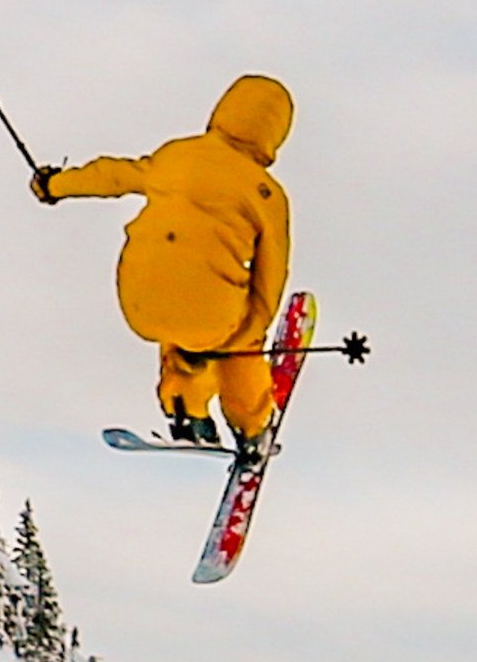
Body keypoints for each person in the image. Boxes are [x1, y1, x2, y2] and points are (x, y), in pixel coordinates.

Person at [34, 74, 295, 449]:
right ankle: (253, 429)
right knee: (233, 340)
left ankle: (186, 411)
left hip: (138, 300)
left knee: (180, 315)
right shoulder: (267, 194)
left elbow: (114, 176)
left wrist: (54, 185)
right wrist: (251, 330)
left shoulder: (176, 155)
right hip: (209, 313)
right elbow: (271, 277)